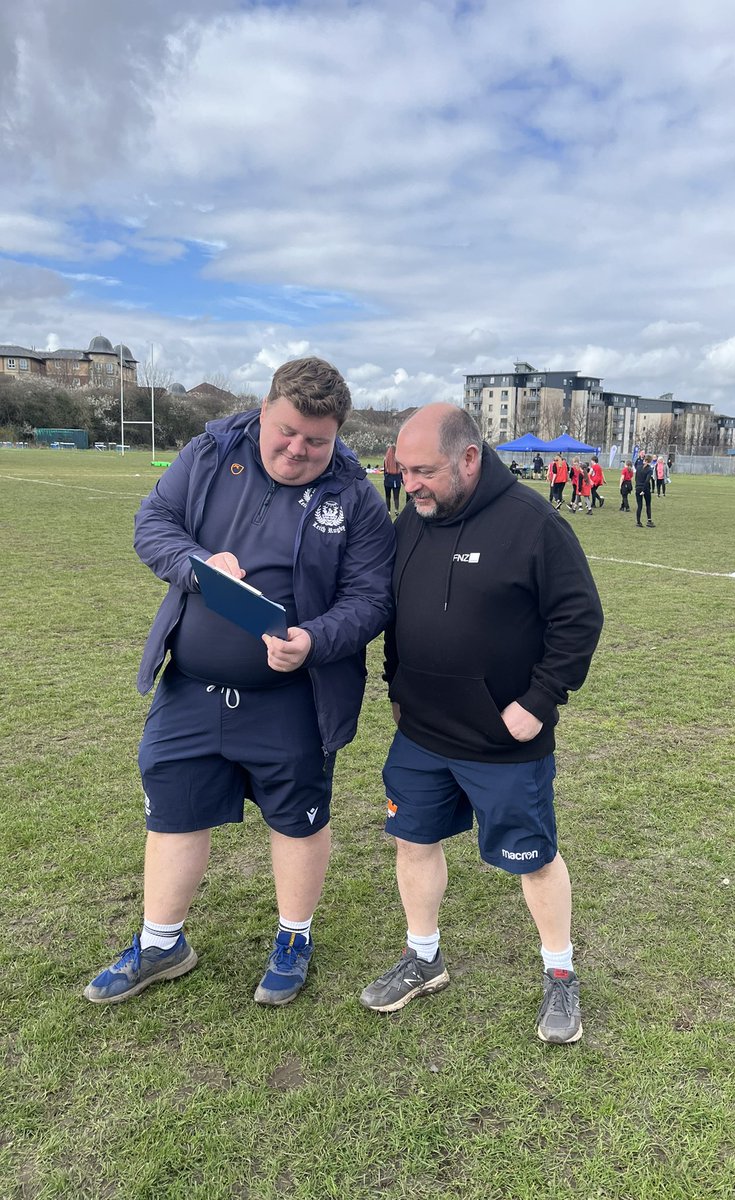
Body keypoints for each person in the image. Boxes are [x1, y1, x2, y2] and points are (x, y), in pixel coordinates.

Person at [84, 357, 395, 1007]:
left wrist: (313, 641)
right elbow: (154, 524)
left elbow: (371, 599)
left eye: (317, 441)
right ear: (263, 410)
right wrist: (197, 563)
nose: (297, 450)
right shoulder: (209, 453)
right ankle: (162, 943)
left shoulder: (356, 496)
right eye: (287, 431)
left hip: (293, 696)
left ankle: (294, 937)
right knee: (174, 812)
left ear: (338, 434)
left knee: (298, 822)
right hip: (189, 688)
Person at [359, 405, 603, 1044]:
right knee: (413, 841)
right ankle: (424, 957)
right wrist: (395, 684)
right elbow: (398, 612)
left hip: (503, 740)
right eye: (404, 470)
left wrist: (539, 701)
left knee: (534, 858)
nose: (410, 484)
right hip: (421, 733)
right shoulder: (412, 522)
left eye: (425, 471)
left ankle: (560, 973)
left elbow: (579, 617)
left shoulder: (533, 524)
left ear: (469, 458)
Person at [633, 455, 655, 527]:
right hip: (645, 488)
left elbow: (636, 478)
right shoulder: (649, 469)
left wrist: (637, 487)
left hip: (638, 487)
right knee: (648, 505)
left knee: (639, 505)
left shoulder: (638, 467)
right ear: (650, 461)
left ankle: (638, 522)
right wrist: (643, 490)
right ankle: (649, 521)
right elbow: (647, 481)